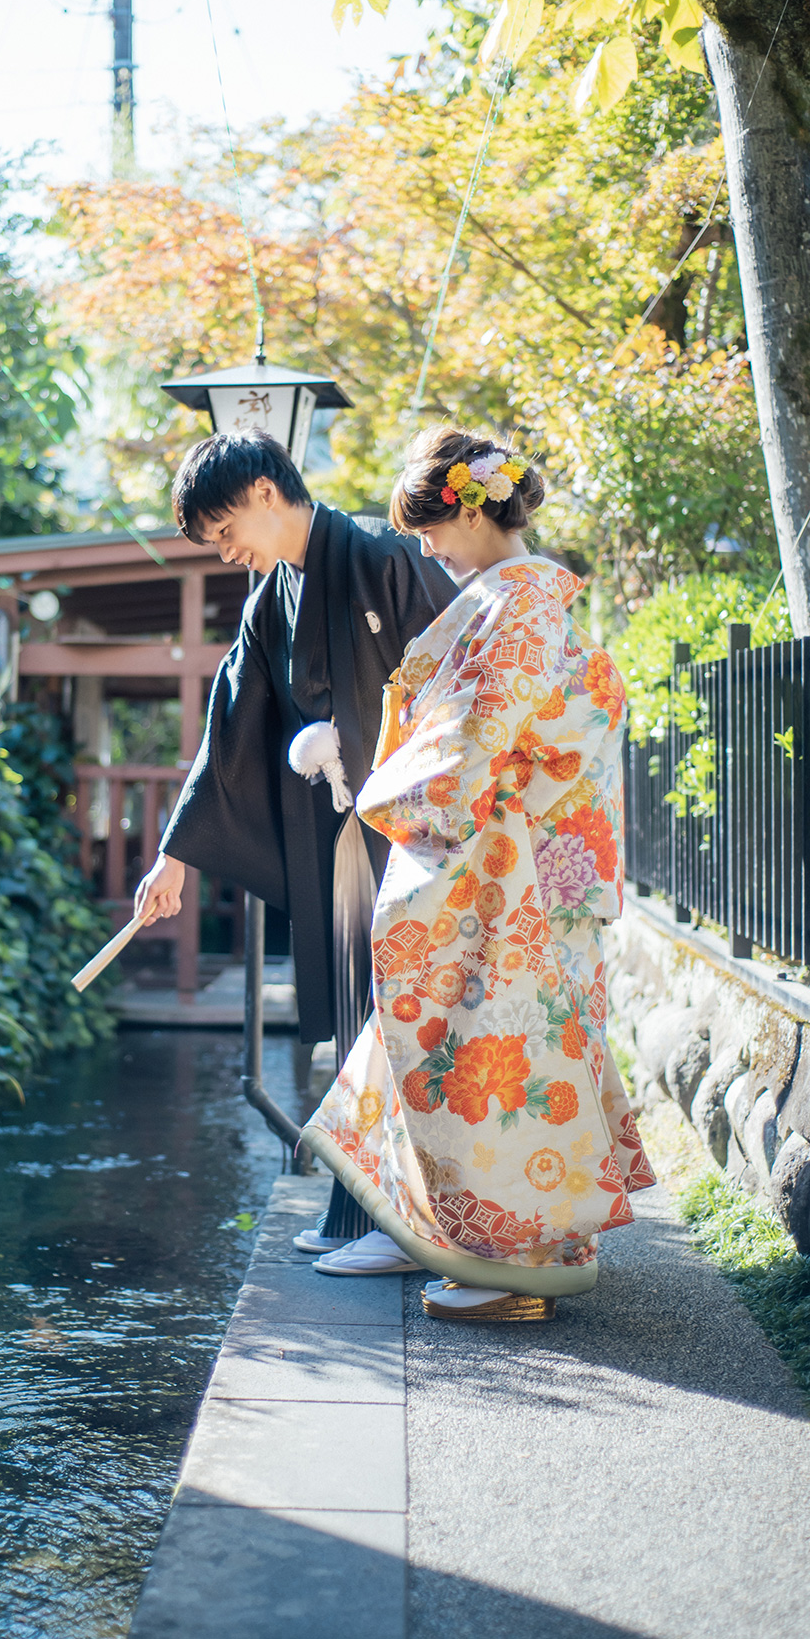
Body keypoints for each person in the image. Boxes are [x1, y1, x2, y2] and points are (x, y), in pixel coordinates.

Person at [301, 424, 654, 1319]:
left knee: (500, 1048)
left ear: (464, 506)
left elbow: (471, 734)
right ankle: (496, 1250)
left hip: (511, 870)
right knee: (527, 1046)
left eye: (428, 529)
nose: (424, 548)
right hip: (536, 860)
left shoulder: (519, 600)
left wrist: (397, 796)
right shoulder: (522, 596)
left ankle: (514, 1269)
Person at [134, 429, 455, 1252]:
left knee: (415, 1015)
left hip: (418, 833)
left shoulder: (388, 558)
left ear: (267, 493)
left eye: (225, 530)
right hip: (339, 840)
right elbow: (231, 733)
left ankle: (423, 1215)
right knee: (357, 1016)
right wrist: (174, 855)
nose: (226, 551)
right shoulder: (266, 601)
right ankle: (363, 1207)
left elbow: (462, 688)